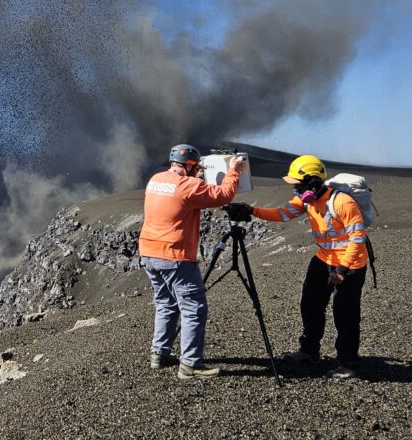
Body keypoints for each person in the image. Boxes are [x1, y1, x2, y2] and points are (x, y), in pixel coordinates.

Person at [226, 154, 368, 379]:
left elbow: (357, 238)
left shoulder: (342, 202)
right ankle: (309, 351)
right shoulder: (307, 200)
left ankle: (347, 362)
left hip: (348, 267)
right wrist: (251, 210)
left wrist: (342, 269)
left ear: (312, 182)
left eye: (297, 184)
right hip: (323, 260)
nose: (295, 189)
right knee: (310, 305)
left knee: (345, 314)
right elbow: (282, 214)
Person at [139, 144, 244, 380]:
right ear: (190, 166)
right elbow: (224, 195)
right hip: (174, 255)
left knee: (166, 303)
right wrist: (234, 170)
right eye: (196, 167)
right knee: (194, 308)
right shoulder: (188, 185)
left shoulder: (156, 179)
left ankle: (159, 354)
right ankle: (189, 365)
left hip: (149, 252)